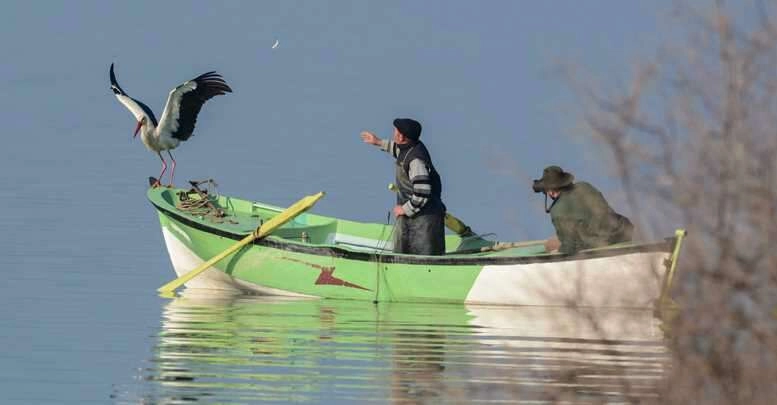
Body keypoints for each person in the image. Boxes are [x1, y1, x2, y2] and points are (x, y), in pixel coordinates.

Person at [360, 118, 446, 255]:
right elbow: (398, 150)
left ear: (401, 136)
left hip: (424, 221)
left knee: (422, 255)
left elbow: (423, 192)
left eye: (395, 131)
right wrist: (378, 142)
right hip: (412, 215)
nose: (393, 133)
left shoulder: (416, 161)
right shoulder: (410, 146)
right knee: (404, 249)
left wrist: (405, 209)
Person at [532, 165, 633, 254]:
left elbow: (569, 246)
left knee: (550, 244)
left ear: (550, 191)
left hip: (600, 242)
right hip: (623, 231)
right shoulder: (585, 186)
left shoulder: (557, 210)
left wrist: (557, 251)